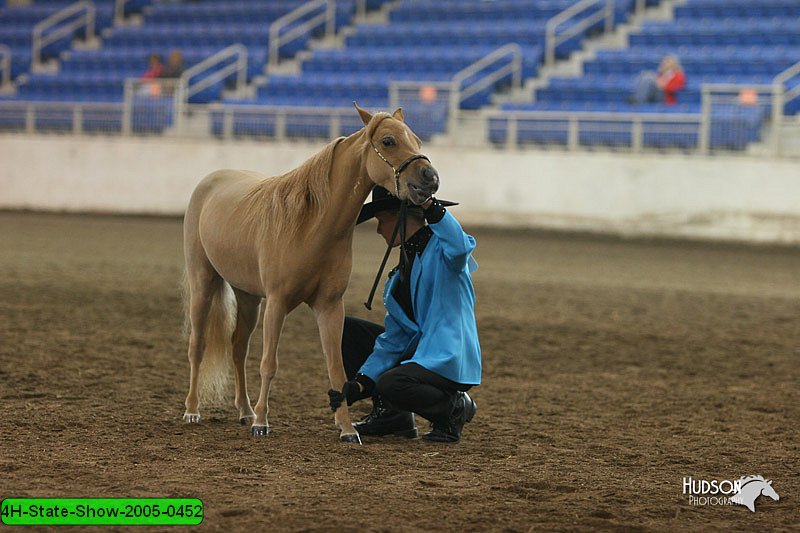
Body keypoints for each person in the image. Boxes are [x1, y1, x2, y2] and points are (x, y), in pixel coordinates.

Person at [328, 186, 482, 443]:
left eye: (382, 221)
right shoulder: (400, 275)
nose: (378, 230)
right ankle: (393, 417)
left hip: (449, 353)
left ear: (399, 216)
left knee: (392, 383)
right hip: (422, 351)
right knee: (347, 330)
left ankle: (454, 409)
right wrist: (361, 384)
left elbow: (459, 247)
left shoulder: (445, 252)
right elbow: (395, 339)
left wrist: (430, 206)